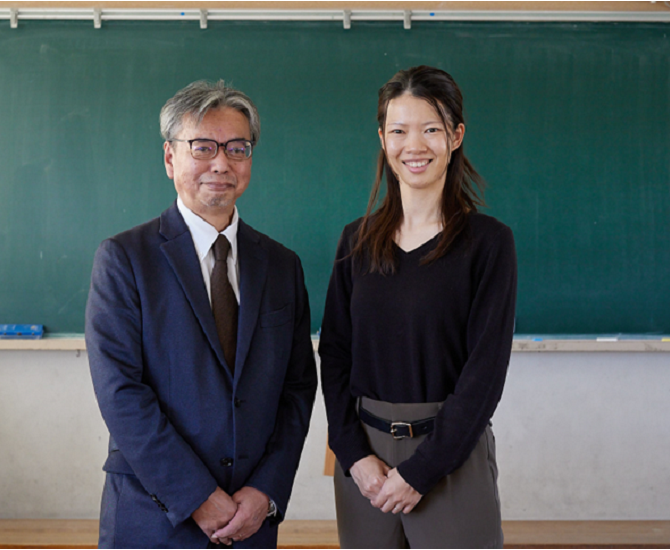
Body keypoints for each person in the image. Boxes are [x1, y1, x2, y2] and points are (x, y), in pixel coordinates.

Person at [86, 80, 317, 549]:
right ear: (170, 158)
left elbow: (297, 390)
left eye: (237, 147)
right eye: (203, 147)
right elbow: (121, 393)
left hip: (251, 521)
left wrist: (266, 491)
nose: (221, 163)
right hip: (154, 518)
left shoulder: (281, 265)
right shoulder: (124, 259)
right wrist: (198, 496)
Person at [319, 66, 517, 548]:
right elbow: (336, 354)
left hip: (450, 455)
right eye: (400, 130)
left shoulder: (488, 243)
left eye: (431, 129)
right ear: (383, 138)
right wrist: (353, 455)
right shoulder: (355, 241)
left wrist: (422, 470)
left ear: (455, 136)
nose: (415, 145)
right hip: (365, 463)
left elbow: (484, 373)